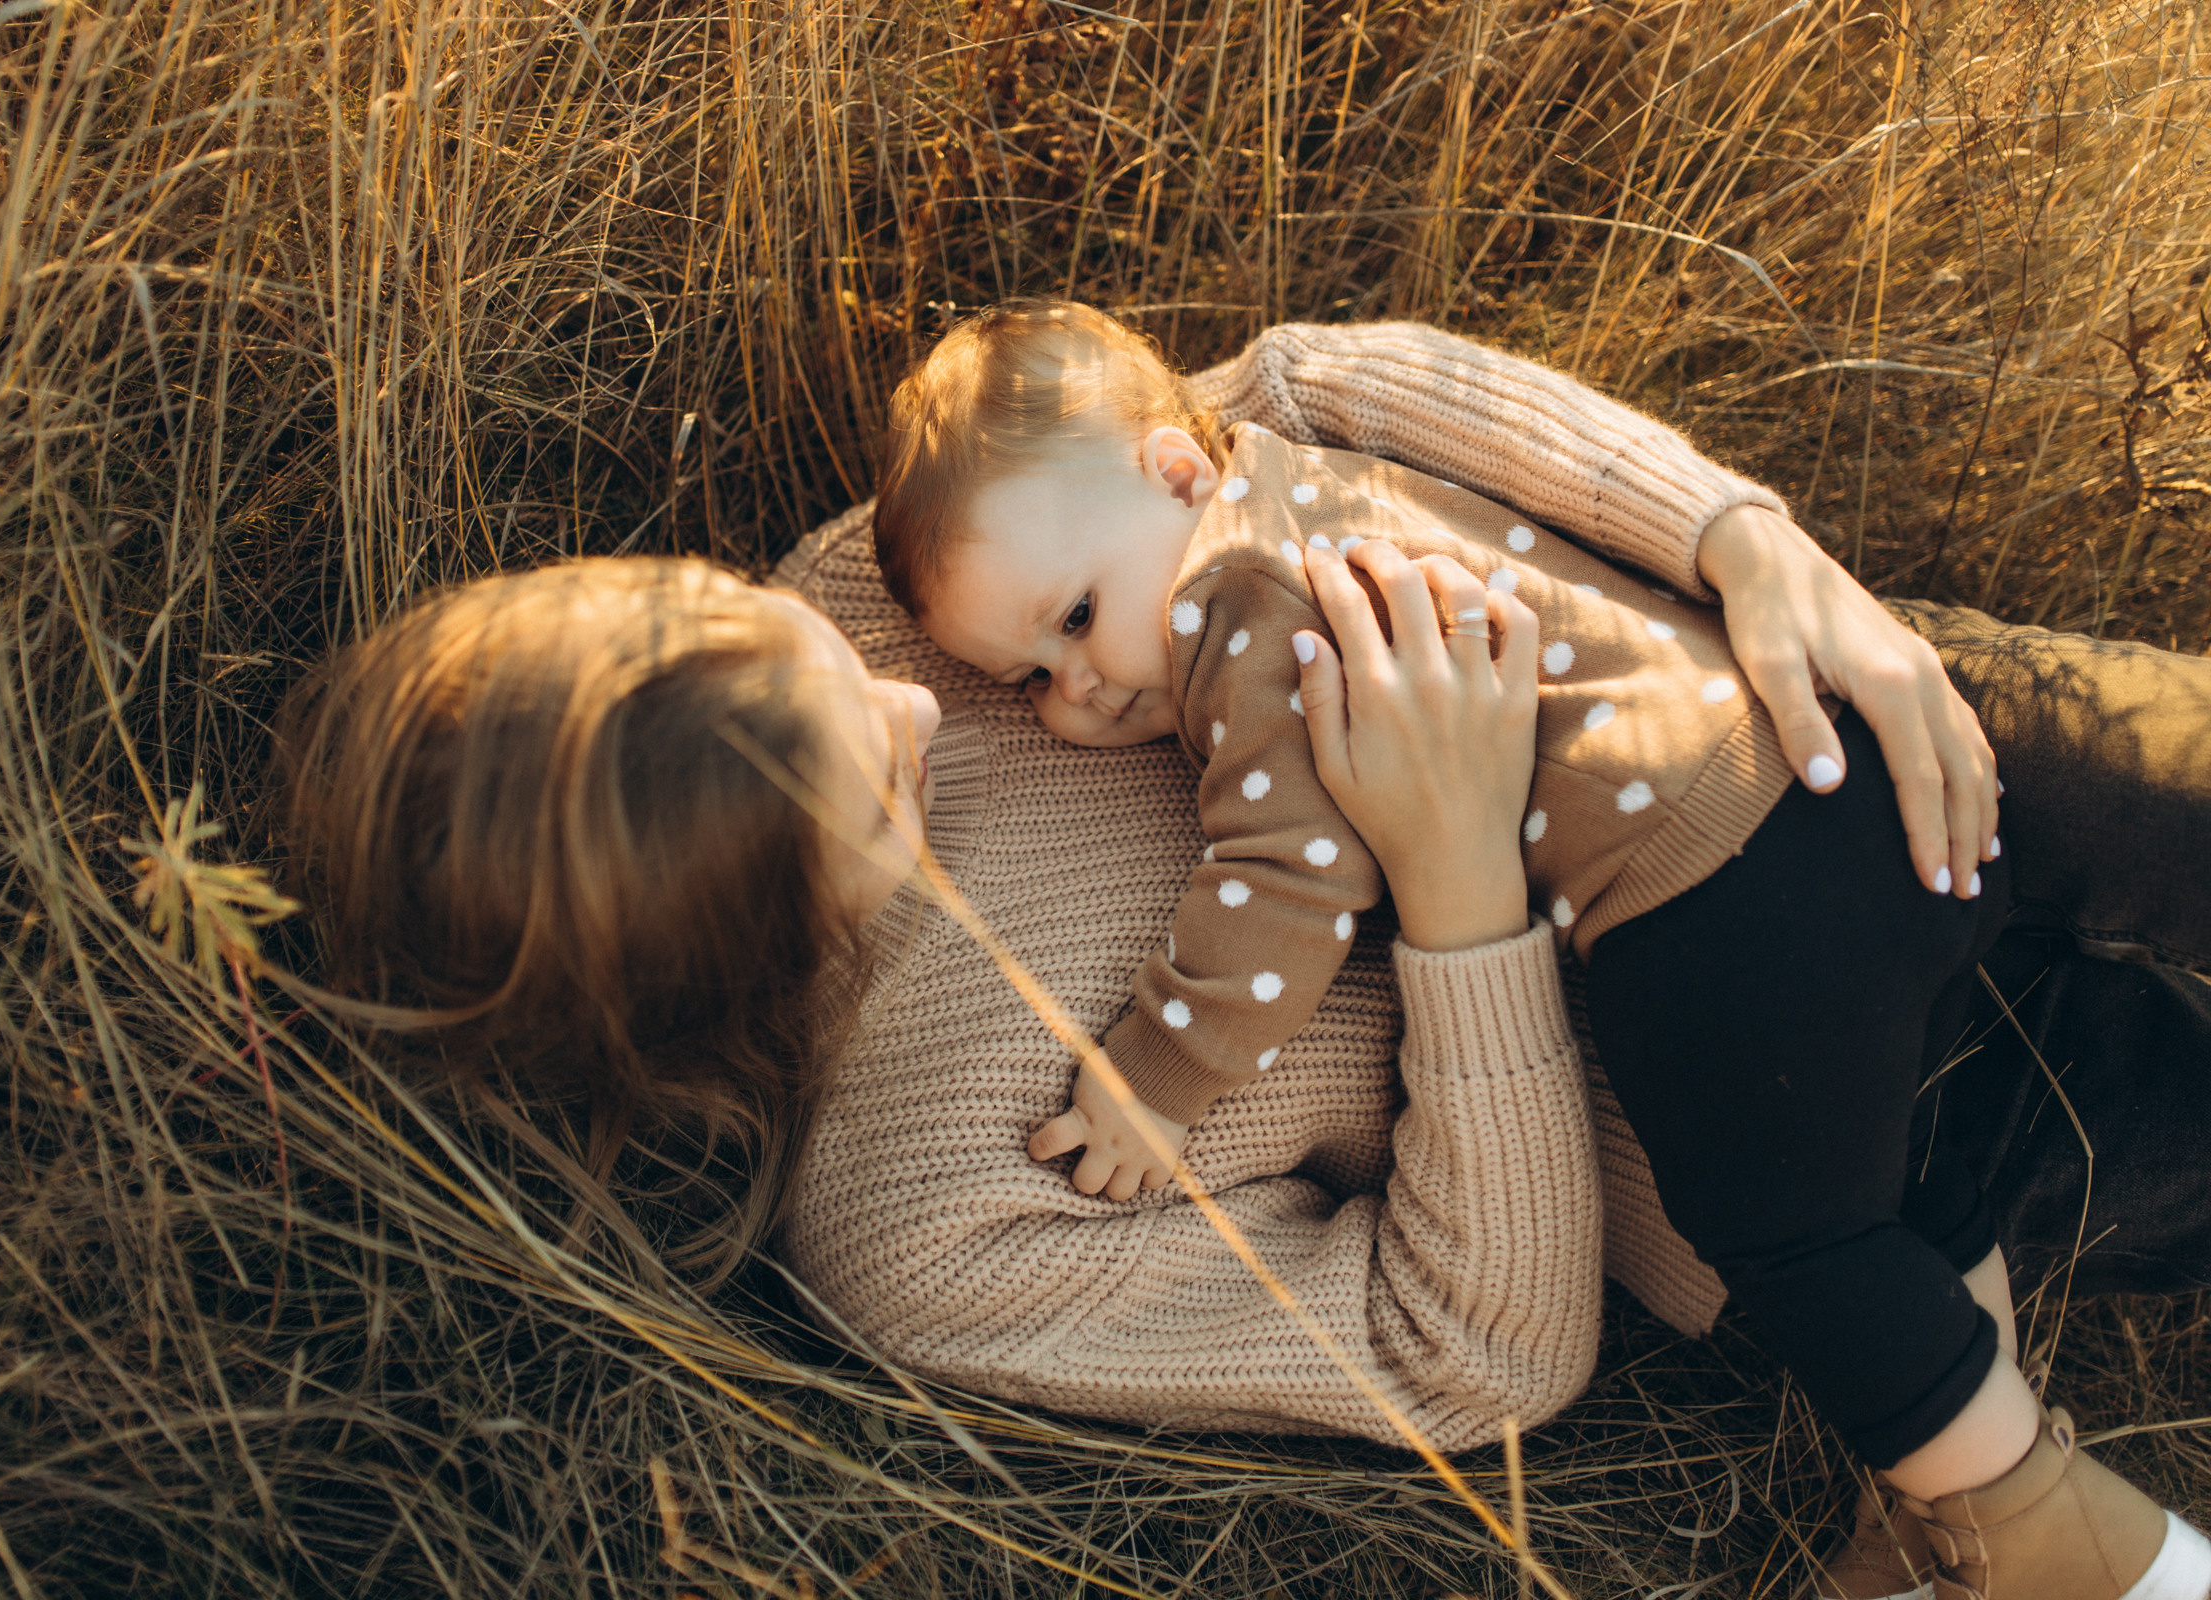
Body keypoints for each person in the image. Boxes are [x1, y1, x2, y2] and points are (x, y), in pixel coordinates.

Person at [276, 319, 2211, 1600]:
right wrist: (1456, 898)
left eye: (818, 655)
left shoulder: (867, 587)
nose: (935, 711)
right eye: (863, 804)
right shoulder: (928, 1231)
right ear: (734, 976)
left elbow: (1299, 392)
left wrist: (1746, 541)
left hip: (1748, 712)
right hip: (1796, 1125)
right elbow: (1471, 1356)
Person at [868, 300, 1971, 1195]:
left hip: (1699, 880)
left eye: (1073, 622)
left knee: (1863, 1202)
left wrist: (1162, 1071)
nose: (1084, 686)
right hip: (1746, 722)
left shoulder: (1229, 603)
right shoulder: (1292, 485)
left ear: (1177, 474)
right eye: (1033, 681)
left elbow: (1291, 870)